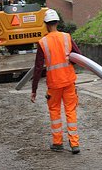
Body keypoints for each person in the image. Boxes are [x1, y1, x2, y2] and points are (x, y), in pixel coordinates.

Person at [31, 9, 81, 154]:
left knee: (55, 112)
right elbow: (78, 56)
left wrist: (34, 90)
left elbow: (38, 68)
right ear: (58, 22)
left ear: (46, 24)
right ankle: (75, 144)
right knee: (70, 111)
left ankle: (57, 142)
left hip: (54, 84)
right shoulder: (67, 37)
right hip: (69, 81)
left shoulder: (42, 42)